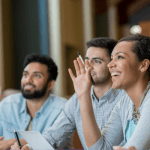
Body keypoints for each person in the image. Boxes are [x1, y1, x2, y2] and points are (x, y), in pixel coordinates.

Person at [12, 37, 126, 150]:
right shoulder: (76, 99)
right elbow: (53, 136)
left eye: (97, 61)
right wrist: (29, 147)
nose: (88, 67)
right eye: (86, 60)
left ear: (112, 65)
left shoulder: (125, 98)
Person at [68, 34, 150, 150]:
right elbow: (100, 148)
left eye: (120, 57)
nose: (110, 65)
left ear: (143, 65)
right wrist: (83, 95)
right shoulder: (124, 103)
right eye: (111, 59)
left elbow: (134, 147)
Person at [0, 54, 70, 150]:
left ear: (50, 84)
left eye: (37, 75)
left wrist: (13, 142)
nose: (28, 80)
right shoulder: (7, 104)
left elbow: (53, 145)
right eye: (25, 74)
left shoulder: (64, 109)